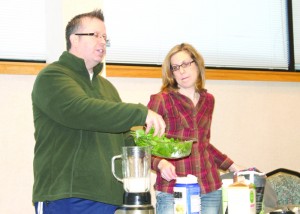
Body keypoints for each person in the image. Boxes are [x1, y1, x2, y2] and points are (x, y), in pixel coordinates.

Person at [31, 9, 165, 214]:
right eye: (95, 35)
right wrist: (140, 112)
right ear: (74, 39)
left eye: (105, 37)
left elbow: (125, 139)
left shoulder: (107, 88)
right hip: (67, 196)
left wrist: (156, 156)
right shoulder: (53, 76)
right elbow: (80, 110)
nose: (102, 42)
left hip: (111, 197)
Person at [148, 43, 244, 214]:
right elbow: (144, 145)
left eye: (186, 64)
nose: (182, 71)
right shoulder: (161, 100)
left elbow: (202, 144)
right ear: (171, 74)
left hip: (209, 187)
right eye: (176, 68)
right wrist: (160, 163)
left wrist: (232, 166)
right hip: (173, 189)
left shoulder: (208, 101)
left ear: (197, 64)